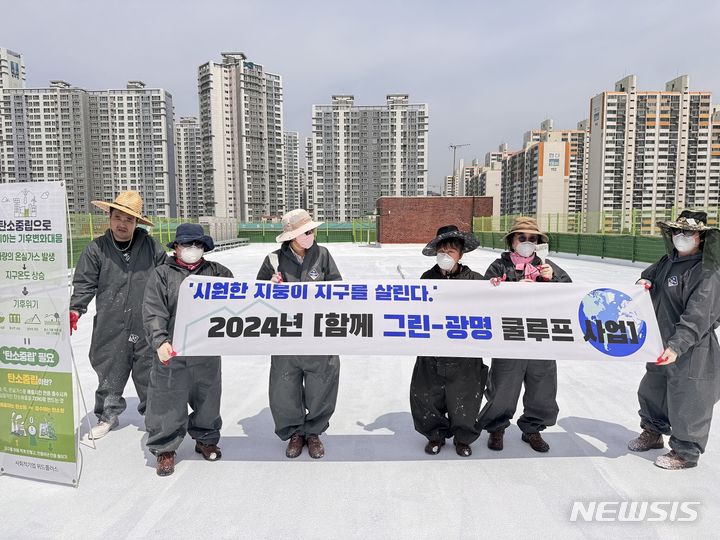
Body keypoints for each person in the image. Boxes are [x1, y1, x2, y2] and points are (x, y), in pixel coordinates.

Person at [69, 191, 166, 439]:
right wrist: (75, 308)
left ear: (137, 223)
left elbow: (167, 280)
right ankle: (107, 415)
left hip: (146, 322)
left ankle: (155, 417)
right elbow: (84, 283)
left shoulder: (152, 247)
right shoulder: (96, 250)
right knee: (109, 371)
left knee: (150, 372)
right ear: (110, 218)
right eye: (118, 217)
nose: (122, 224)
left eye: (129, 220)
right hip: (111, 323)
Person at [628, 210, 720, 470]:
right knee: (653, 389)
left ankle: (686, 452)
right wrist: (645, 279)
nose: (682, 237)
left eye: (688, 233)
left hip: (692, 347)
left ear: (700, 238)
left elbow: (700, 313)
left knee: (689, 397)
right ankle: (653, 431)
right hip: (660, 341)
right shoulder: (668, 261)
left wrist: (678, 345)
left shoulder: (707, 271)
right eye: (677, 232)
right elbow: (651, 273)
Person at [142, 224, 233, 476]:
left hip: (206, 349)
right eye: (187, 245)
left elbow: (239, 304)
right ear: (177, 247)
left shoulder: (218, 273)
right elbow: (153, 311)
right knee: (167, 399)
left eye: (197, 245)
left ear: (204, 248)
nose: (192, 250)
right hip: (172, 350)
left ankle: (206, 438)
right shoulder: (161, 275)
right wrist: (160, 341)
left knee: (208, 397)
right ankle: (165, 448)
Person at [479, 216, 571, 453]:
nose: (527, 242)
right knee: (503, 385)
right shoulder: (499, 266)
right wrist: (492, 286)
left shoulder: (547, 266)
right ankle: (497, 427)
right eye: (522, 237)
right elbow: (480, 296)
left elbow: (570, 294)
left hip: (540, 335)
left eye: (532, 238)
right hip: (509, 335)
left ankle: (533, 428)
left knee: (542, 385)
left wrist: (553, 279)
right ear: (512, 241)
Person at [256, 209, 342, 459]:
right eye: (305, 232)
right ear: (291, 236)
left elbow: (338, 287)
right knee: (285, 387)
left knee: (322, 384)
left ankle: (313, 432)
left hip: (318, 333)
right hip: (286, 335)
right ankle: (294, 432)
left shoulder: (323, 255)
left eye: (311, 231)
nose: (310, 235)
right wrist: (269, 285)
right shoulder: (273, 260)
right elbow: (257, 295)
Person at [409, 225, 488, 457]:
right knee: (427, 394)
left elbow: (494, 307)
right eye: (441, 251)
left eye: (451, 251)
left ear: (460, 255)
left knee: (465, 394)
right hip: (432, 348)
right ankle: (435, 435)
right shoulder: (426, 278)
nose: (445, 255)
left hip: (465, 350)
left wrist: (496, 289)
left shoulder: (476, 280)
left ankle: (463, 438)